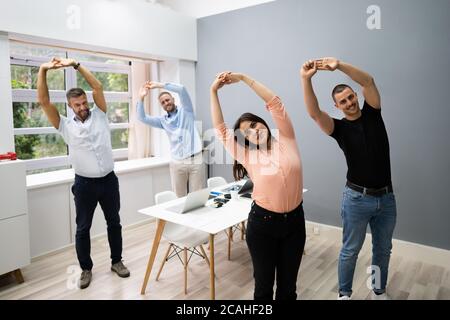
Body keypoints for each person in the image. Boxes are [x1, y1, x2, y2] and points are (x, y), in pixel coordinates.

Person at [300, 57, 397, 300]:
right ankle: (344, 294)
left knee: (383, 250)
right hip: (356, 199)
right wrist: (306, 79)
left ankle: (378, 291)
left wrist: (339, 65)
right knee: (350, 250)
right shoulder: (338, 129)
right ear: (338, 106)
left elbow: (369, 81)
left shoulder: (373, 113)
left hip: (386, 198)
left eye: (351, 97)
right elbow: (313, 112)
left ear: (356, 95)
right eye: (343, 102)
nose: (349, 103)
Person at [210, 71, 306, 300]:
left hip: (295, 223)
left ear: (262, 122)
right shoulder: (246, 155)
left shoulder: (287, 138)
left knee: (288, 289)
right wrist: (213, 91)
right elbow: (221, 131)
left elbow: (274, 102)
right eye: (247, 132)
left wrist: (244, 78)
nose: (254, 131)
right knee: (263, 289)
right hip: (263, 225)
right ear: (245, 140)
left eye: (254, 124)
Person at [37, 57, 130, 289]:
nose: (82, 107)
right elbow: (43, 100)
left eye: (83, 103)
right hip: (84, 184)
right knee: (82, 229)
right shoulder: (64, 125)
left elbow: (98, 86)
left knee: (114, 223)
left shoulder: (100, 113)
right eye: (76, 105)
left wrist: (75, 65)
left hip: (109, 181)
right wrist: (43, 70)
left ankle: (117, 261)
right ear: (70, 106)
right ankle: (86, 269)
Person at [137, 81, 205, 197]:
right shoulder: (162, 121)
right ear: (162, 106)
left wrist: (158, 85)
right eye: (163, 102)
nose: (166, 103)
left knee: (197, 196)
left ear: (173, 99)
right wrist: (141, 98)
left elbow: (182, 89)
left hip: (195, 160)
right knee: (179, 197)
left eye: (167, 100)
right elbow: (142, 118)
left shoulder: (186, 110)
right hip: (177, 163)